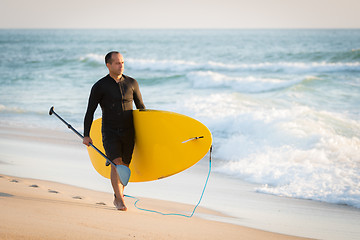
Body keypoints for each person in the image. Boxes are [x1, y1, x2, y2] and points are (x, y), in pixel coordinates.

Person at [83, 51, 145, 211]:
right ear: (108, 65)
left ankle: (118, 195)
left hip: (129, 131)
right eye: (117, 63)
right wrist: (86, 135)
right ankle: (120, 200)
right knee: (116, 165)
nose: (121, 65)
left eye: (122, 62)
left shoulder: (132, 83)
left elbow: (141, 109)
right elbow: (90, 111)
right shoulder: (100, 86)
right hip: (110, 131)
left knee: (125, 166)